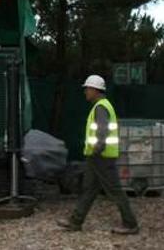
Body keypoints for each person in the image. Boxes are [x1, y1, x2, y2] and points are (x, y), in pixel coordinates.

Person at [57, 75, 139, 235]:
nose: (85, 92)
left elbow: (102, 131)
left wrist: (97, 149)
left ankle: (130, 224)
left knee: (114, 190)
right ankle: (75, 221)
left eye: (87, 89)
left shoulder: (101, 107)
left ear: (95, 90)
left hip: (101, 157)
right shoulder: (102, 106)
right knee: (89, 189)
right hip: (99, 156)